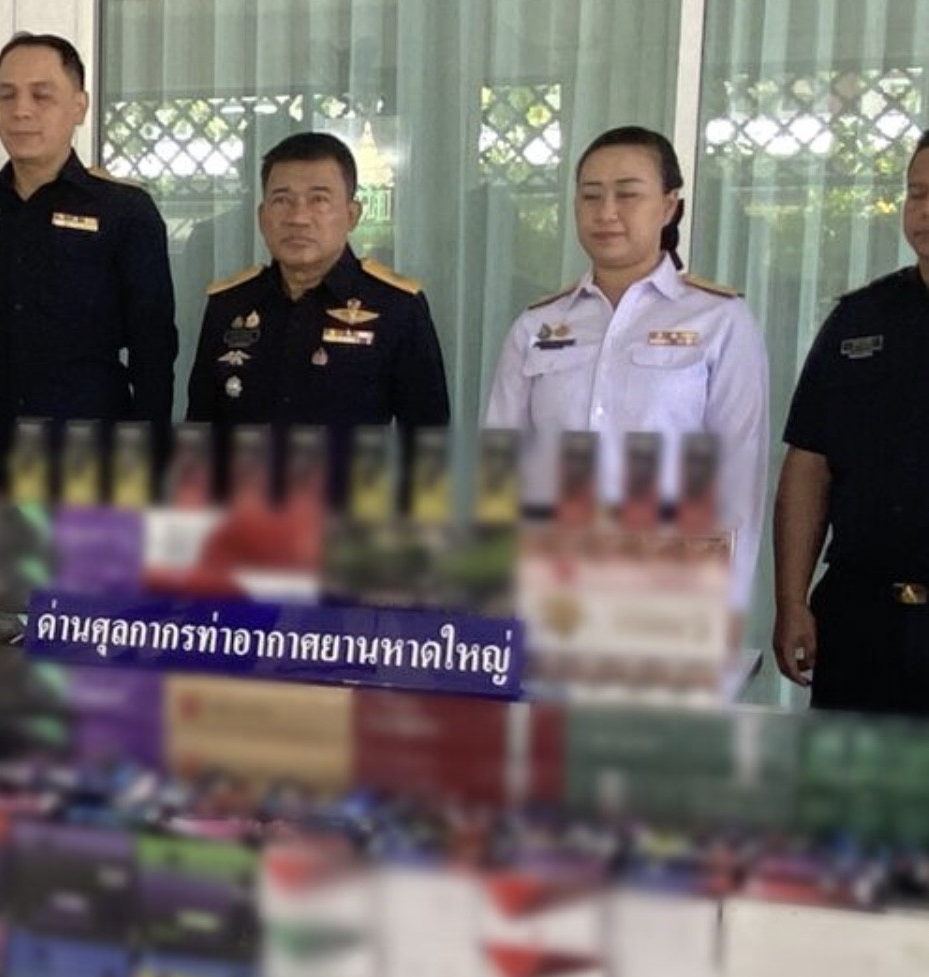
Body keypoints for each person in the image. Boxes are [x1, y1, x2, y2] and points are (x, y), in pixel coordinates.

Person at [482, 125, 768, 618]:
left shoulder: (719, 320)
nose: (606, 212)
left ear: (669, 205)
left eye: (628, 194)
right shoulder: (537, 325)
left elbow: (738, 480)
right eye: (591, 195)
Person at [0, 32, 176, 482]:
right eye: (7, 95)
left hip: (88, 459)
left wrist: (146, 462)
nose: (21, 110)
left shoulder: (124, 211)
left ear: (79, 106)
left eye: (42, 95)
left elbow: (152, 351)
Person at [187, 131, 450, 503]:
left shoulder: (396, 308)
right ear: (262, 217)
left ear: (352, 215)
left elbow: (427, 444)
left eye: (319, 200)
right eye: (282, 200)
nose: (298, 217)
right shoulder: (229, 306)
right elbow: (200, 433)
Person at [772, 131, 929, 713]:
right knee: (847, 775)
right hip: (863, 621)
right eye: (917, 193)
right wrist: (791, 600)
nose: (925, 210)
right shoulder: (858, 320)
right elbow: (809, 463)